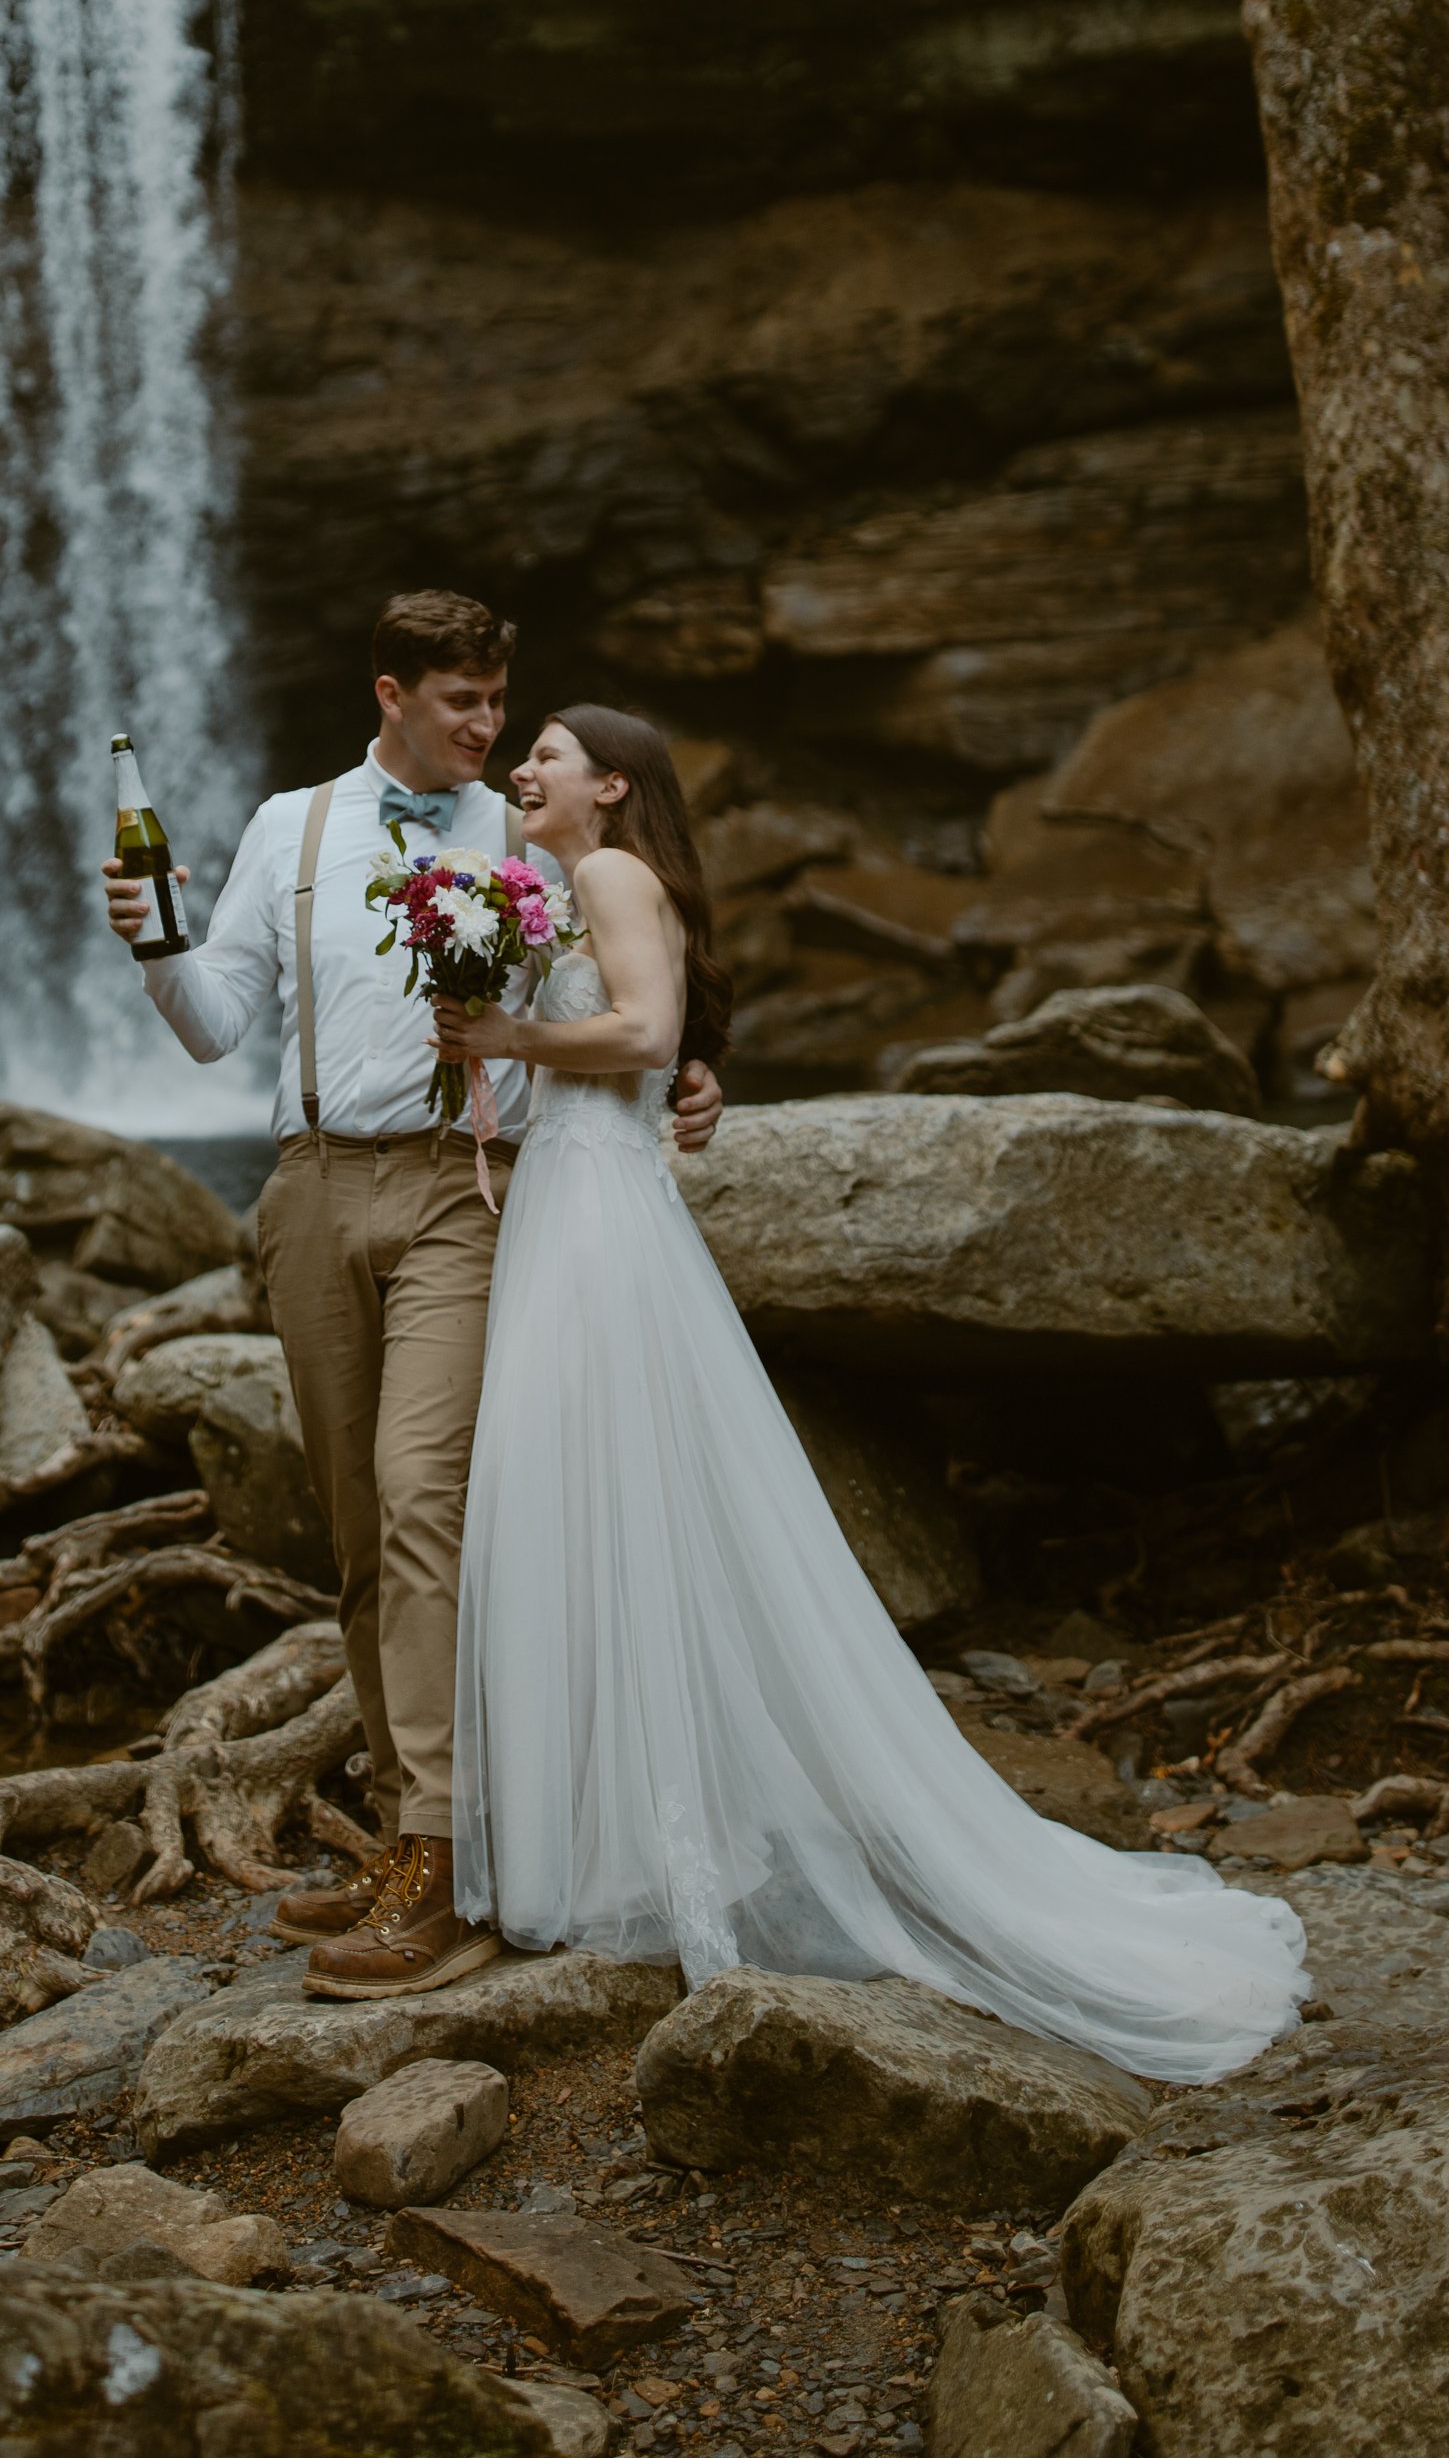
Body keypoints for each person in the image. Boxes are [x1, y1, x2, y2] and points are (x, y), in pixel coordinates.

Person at [433, 703, 1307, 2085]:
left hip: (595, 1222)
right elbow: (655, 1043)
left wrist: (506, 1037)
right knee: (589, 1503)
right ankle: (621, 1847)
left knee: (596, 1499)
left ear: (610, 784)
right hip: (574, 1201)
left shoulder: (603, 871)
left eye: (543, 752)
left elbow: (647, 1028)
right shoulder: (553, 881)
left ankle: (630, 1853)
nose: (519, 769)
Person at [102, 590, 726, 2002]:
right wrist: (155, 942)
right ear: (391, 692)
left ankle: (448, 1863)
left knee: (425, 1493)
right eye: (465, 704)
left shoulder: (531, 833)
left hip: (470, 1187)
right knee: (357, 1532)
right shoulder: (290, 828)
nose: (493, 730)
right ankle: (398, 1830)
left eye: (504, 706)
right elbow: (213, 1027)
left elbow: (640, 963)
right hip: (313, 1193)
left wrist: (693, 1069)